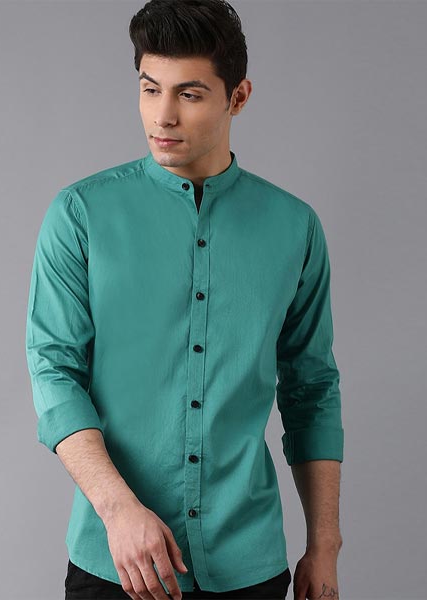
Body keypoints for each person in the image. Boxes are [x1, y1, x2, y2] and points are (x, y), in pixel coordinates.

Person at [25, 1, 344, 599]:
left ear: (238, 97)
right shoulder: (81, 215)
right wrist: (119, 511)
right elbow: (54, 371)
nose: (162, 115)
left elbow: (313, 387)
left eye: (189, 94)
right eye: (150, 89)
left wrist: (324, 544)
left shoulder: (294, 227)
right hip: (116, 562)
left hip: (248, 563)